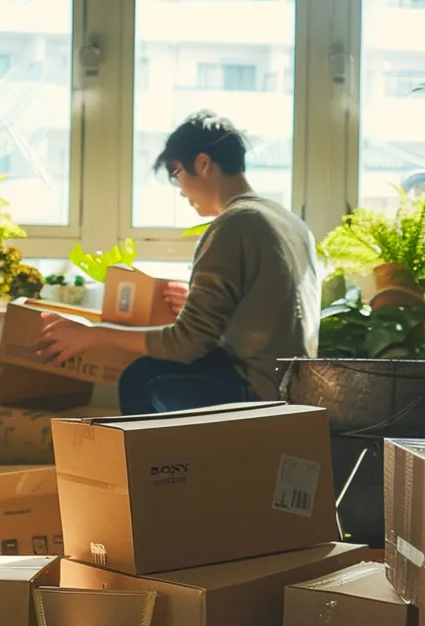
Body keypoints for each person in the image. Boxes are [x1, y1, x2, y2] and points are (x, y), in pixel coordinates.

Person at [35, 111, 319, 414]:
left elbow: (186, 345)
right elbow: (268, 311)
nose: (181, 190)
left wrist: (91, 333)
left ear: (203, 164)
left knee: (144, 377)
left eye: (177, 174)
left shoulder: (235, 223)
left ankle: (159, 464)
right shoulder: (290, 223)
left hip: (257, 392)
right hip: (293, 391)